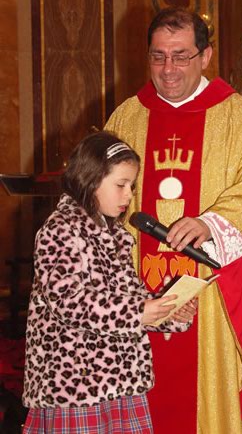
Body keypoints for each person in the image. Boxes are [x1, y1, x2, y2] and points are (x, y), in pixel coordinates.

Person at [105, 7, 242, 434]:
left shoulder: (238, 118)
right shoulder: (126, 118)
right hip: (135, 294)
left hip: (211, 298)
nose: (168, 69)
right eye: (158, 56)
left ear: (206, 56)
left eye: (181, 56)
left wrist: (211, 224)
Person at [22, 131, 196, 434]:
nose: (129, 195)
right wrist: (136, 312)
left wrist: (166, 310)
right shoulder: (60, 229)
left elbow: (129, 296)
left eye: (132, 185)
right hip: (76, 383)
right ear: (90, 180)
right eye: (120, 184)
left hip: (119, 379)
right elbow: (68, 301)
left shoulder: (114, 236)